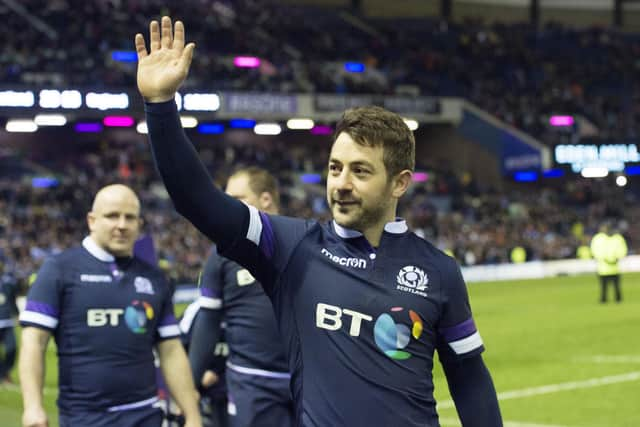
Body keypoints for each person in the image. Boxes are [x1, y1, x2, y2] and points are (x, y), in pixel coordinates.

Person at [135, 17, 502, 426]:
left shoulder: (438, 271)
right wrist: (161, 107)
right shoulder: (292, 247)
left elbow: (469, 380)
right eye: (334, 168)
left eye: (360, 172)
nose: (341, 184)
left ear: (399, 183)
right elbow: (198, 201)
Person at [19, 184, 202, 427]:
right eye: (112, 216)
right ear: (92, 220)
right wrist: (33, 407)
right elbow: (34, 341)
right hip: (85, 418)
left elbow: (171, 350)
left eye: (130, 217)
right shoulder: (59, 270)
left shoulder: (154, 278)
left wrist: (192, 414)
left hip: (146, 415)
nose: (122, 225)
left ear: (139, 224)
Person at [189, 167, 294, 427]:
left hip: (308, 380)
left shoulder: (305, 243)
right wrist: (189, 385)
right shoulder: (221, 255)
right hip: (251, 383)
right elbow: (208, 323)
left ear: (266, 200)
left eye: (236, 200)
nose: (227, 209)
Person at [590, 223, 628, 303]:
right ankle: (604, 299)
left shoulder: (617, 238)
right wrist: (604, 258)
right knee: (604, 286)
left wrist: (617, 257)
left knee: (616, 285)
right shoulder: (598, 238)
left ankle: (618, 299)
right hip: (603, 268)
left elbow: (622, 249)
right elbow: (595, 250)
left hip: (614, 268)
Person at [0, 264, 18, 384]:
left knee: (12, 349)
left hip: (7, 322)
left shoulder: (8, 284)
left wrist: (17, 315)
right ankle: (3, 375)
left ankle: (5, 371)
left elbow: (12, 301)